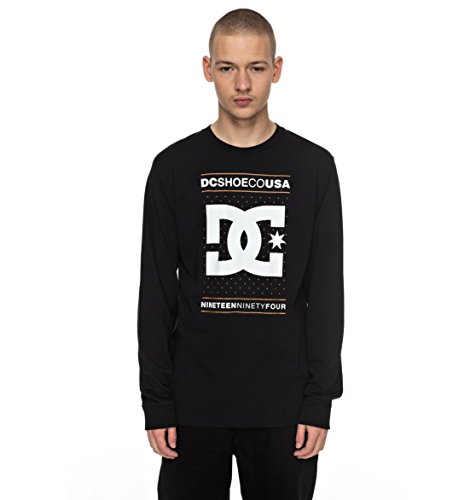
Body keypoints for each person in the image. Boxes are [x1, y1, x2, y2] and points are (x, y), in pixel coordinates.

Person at [137, 8, 345, 500]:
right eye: (228, 68)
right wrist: (157, 402)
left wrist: (319, 401)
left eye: (256, 67)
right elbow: (156, 292)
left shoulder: (313, 167)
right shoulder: (173, 168)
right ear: (208, 69)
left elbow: (325, 293)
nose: (243, 84)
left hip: (284, 409)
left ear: (277, 69)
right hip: (193, 406)